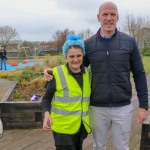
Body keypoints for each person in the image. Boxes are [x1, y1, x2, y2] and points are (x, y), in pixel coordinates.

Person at [43, 2, 149, 150]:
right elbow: (74, 67)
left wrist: (143, 105)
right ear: (98, 17)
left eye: (113, 14)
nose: (109, 18)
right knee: (99, 146)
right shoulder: (88, 45)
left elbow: (139, 74)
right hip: (97, 108)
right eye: (105, 14)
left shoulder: (129, 42)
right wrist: (51, 71)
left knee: (122, 147)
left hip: (123, 107)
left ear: (117, 17)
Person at [42, 34, 92, 150]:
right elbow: (46, 99)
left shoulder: (88, 73)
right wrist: (46, 114)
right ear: (66, 56)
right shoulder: (56, 73)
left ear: (83, 55)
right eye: (71, 56)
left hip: (80, 126)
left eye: (79, 55)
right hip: (62, 130)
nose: (75, 59)